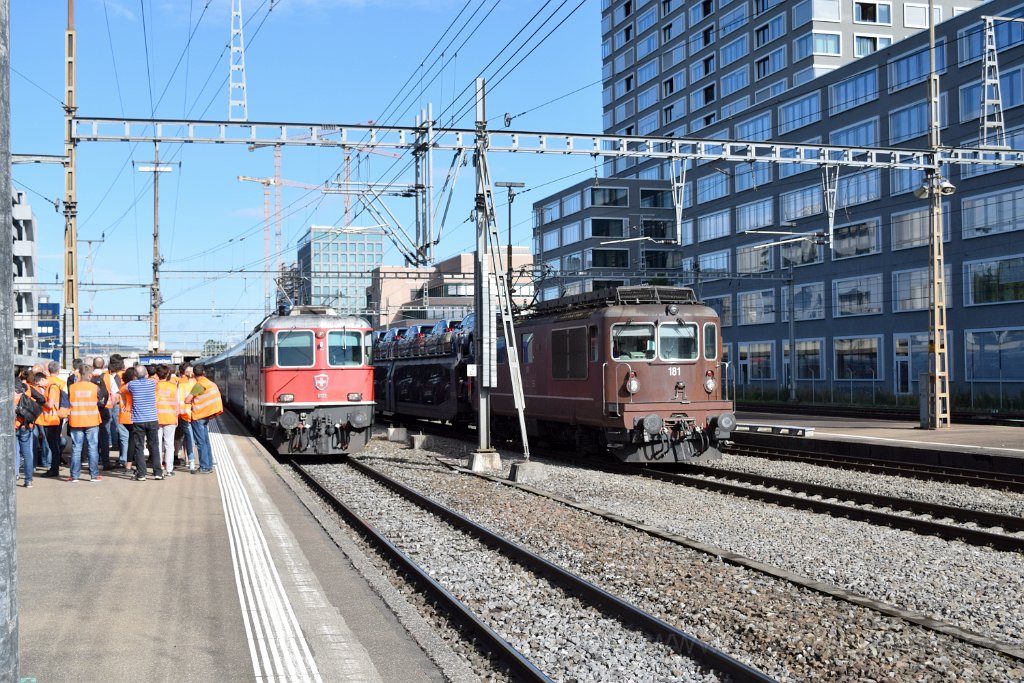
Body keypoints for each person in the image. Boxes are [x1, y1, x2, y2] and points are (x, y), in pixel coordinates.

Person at [67, 364, 108, 482]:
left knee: (76, 449)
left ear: (79, 373)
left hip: (76, 421)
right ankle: (94, 475)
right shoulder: (95, 387)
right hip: (92, 420)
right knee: (93, 448)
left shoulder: (72, 387)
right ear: (90, 375)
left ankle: (74, 476)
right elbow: (101, 401)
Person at [127, 364, 161, 481]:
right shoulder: (152, 383)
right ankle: (158, 473)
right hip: (152, 418)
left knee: (139, 447)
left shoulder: (132, 384)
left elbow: (125, 389)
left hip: (138, 420)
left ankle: (141, 474)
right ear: (146, 373)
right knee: (154, 446)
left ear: (135, 374)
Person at [186, 363, 223, 474]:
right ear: (204, 373)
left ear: (194, 374)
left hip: (198, 416)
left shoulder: (198, 385)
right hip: (206, 416)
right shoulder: (211, 383)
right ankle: (209, 464)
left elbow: (187, 400)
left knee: (200, 442)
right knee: (206, 442)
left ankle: (204, 467)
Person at [14, 371, 47, 488]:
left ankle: (14, 476)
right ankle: (28, 480)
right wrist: (31, 407)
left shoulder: (5, 387)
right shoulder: (27, 387)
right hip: (26, 424)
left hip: (11, 425)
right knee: (27, 452)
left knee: (13, 453)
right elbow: (42, 399)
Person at [37, 361, 68, 478]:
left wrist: (40, 400)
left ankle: (53, 467)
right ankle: (54, 465)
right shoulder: (62, 383)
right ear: (58, 371)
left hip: (50, 418)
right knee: (55, 443)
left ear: (48, 371)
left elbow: (50, 404)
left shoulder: (49, 384)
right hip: (58, 416)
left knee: (52, 444)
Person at [155, 365, 179, 476]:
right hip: (170, 418)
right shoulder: (174, 387)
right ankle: (169, 469)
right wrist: (176, 417)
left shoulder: (154, 386)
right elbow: (177, 404)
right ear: (168, 374)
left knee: (158, 444)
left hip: (157, 418)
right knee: (169, 444)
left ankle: (158, 468)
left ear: (157, 374)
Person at [93, 356, 116, 470]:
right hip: (106, 408)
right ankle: (106, 462)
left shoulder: (88, 376)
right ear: (103, 366)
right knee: (105, 435)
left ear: (93, 365)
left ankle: (93, 462)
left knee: (92, 436)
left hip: (91, 409)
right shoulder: (109, 377)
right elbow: (115, 394)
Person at [175, 362, 196, 471]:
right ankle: (189, 460)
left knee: (186, 437)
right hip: (191, 414)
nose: (191, 372)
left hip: (183, 414)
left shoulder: (179, 383)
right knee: (189, 438)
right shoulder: (196, 383)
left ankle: (189, 460)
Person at [115, 366, 137, 475]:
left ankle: (128, 464)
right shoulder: (132, 387)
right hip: (131, 416)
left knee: (128, 440)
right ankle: (129, 465)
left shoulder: (123, 386)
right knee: (133, 442)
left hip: (123, 415)